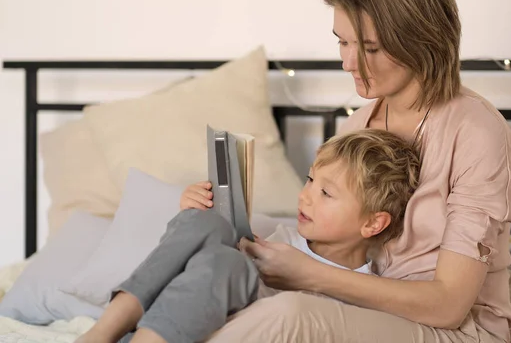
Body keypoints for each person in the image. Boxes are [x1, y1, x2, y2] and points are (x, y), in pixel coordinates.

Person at [202, 0, 511, 343]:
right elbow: (326, 237)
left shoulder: (477, 132)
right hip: (369, 311)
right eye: (342, 42)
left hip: (456, 329)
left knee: (294, 316)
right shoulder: (358, 126)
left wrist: (311, 275)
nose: (349, 64)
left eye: (369, 48)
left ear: (421, 40)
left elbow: (449, 306)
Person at [75, 129, 421, 343]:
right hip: (162, 325)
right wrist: (190, 214)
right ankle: (103, 330)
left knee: (229, 262)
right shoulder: (279, 236)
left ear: (373, 224)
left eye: (326, 193)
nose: (305, 196)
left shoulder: (362, 293)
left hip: (217, 330)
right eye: (310, 180)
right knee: (210, 226)